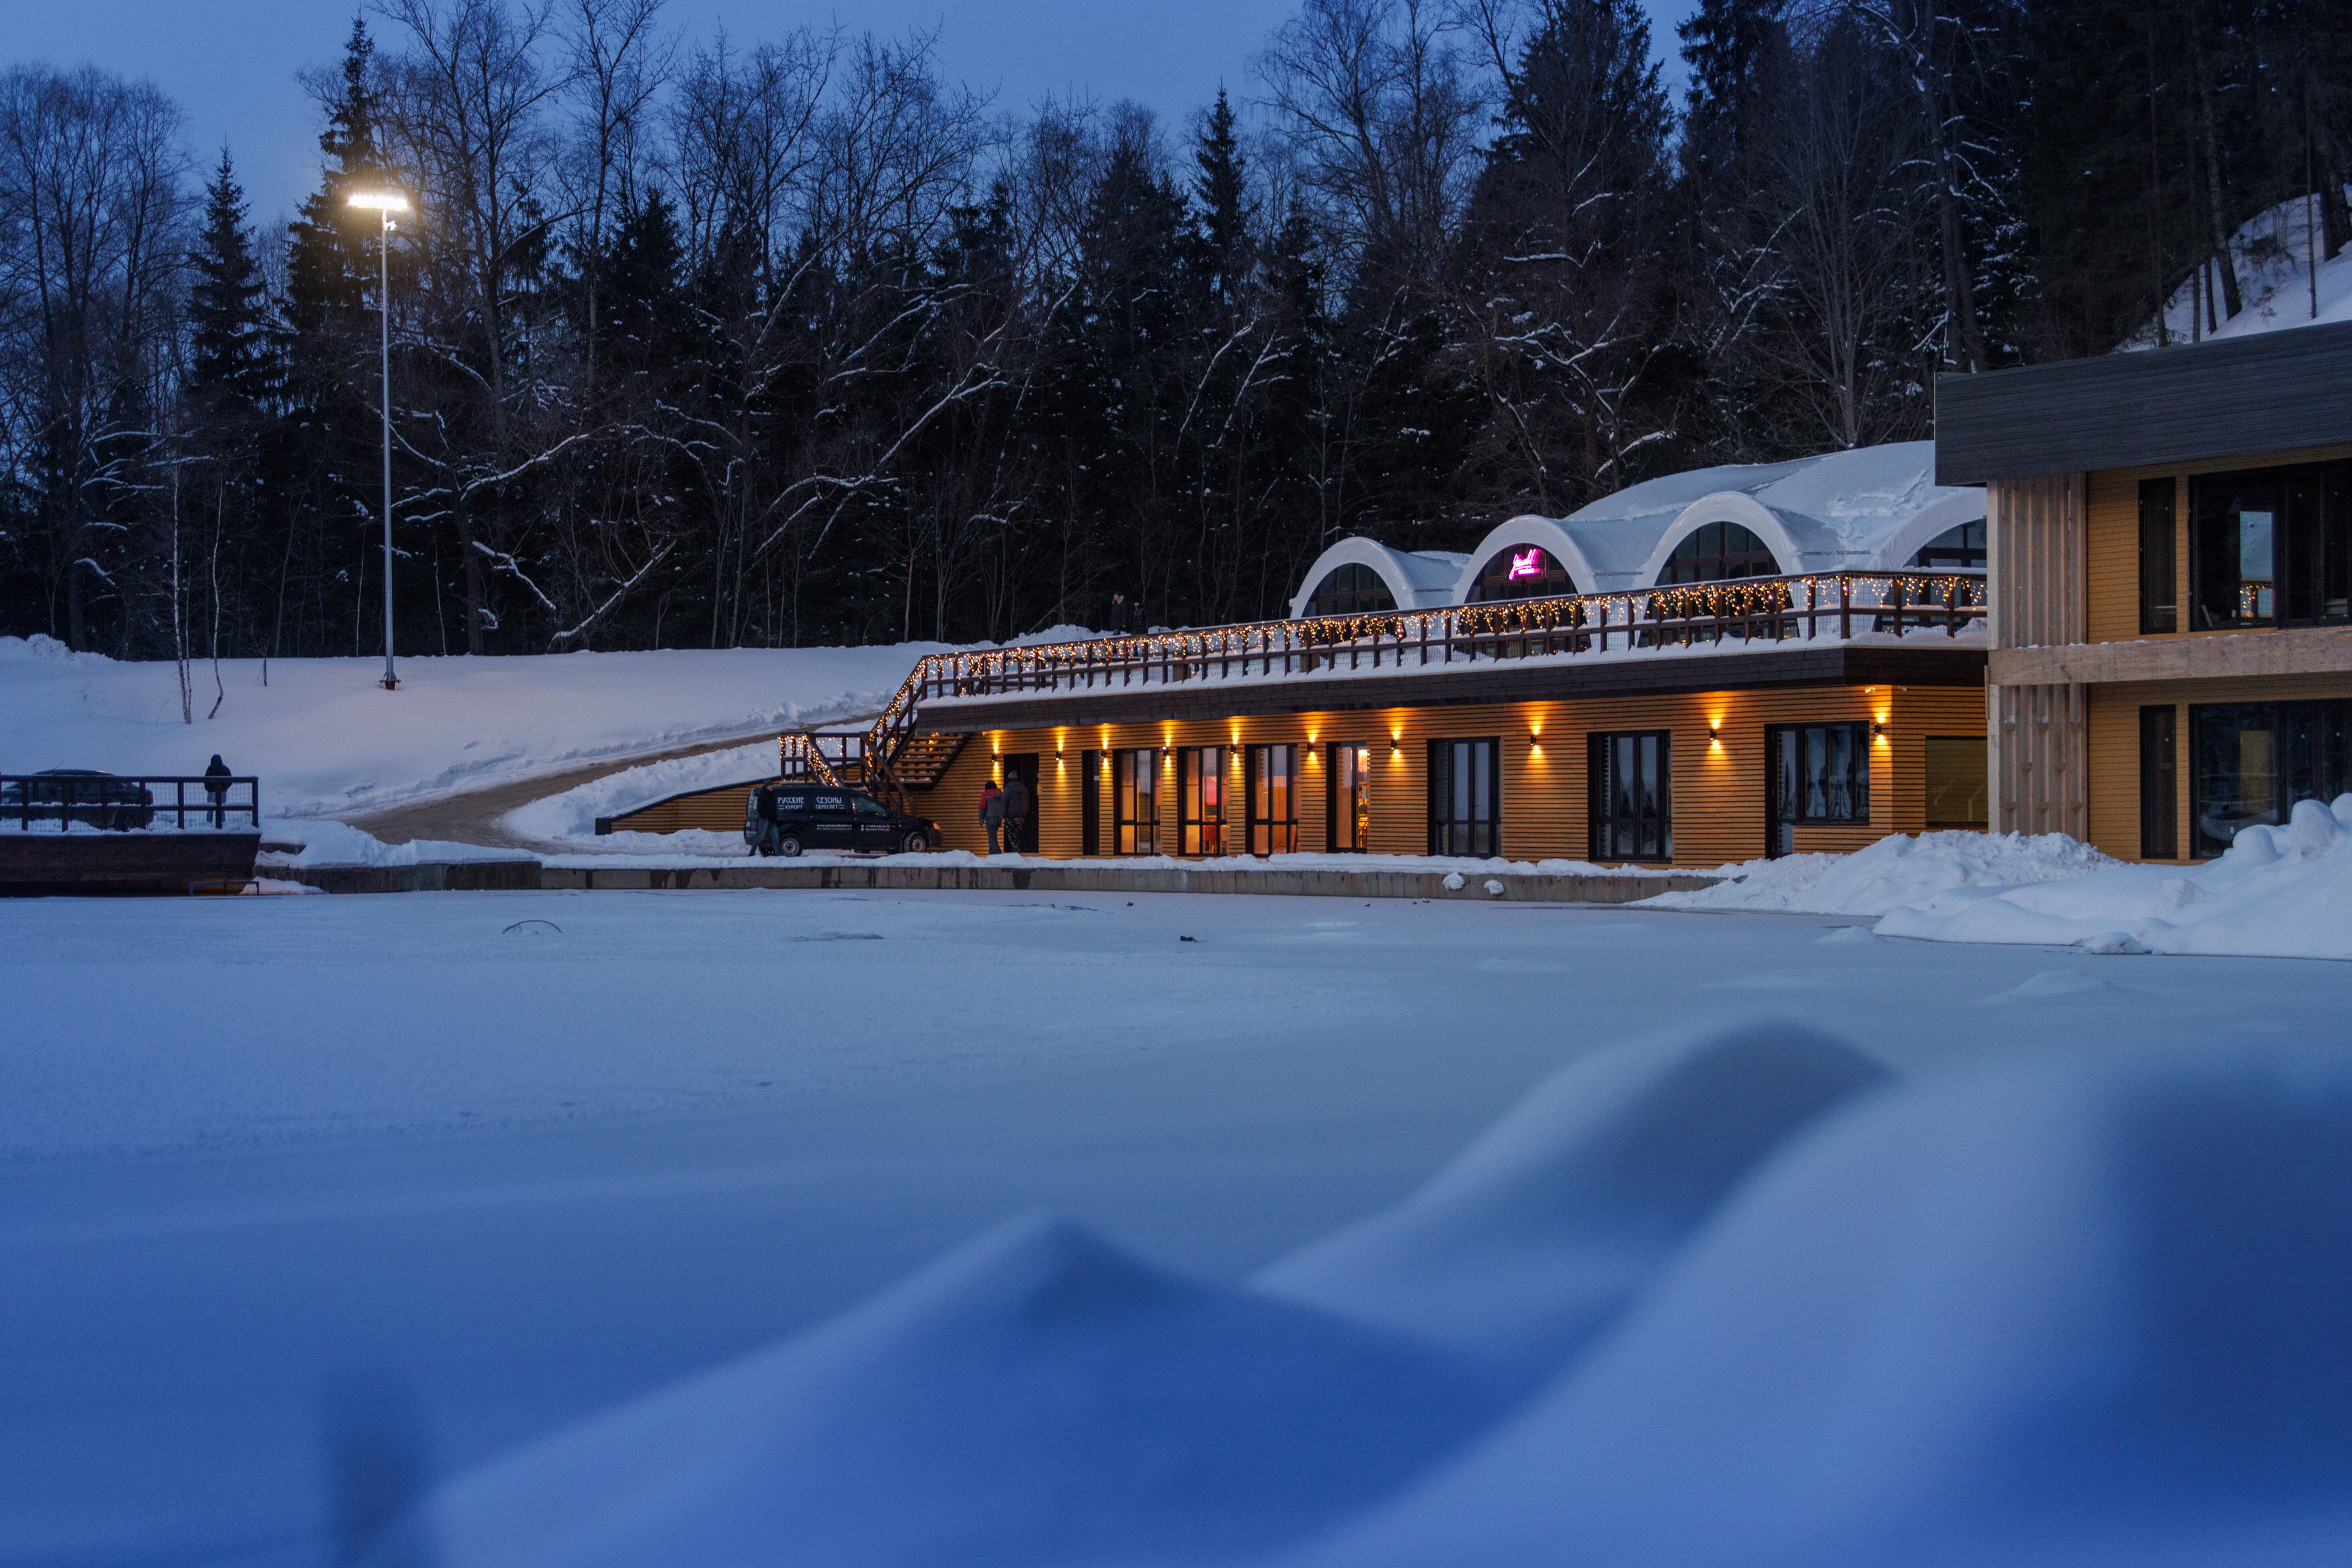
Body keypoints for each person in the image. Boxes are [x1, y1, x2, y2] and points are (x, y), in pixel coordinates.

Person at [1003, 770, 1031, 854]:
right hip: (1021, 816)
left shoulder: (1007, 789)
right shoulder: (1024, 789)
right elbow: (1028, 802)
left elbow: (1004, 803)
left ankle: (1016, 855)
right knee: (1017, 834)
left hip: (1011, 816)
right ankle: (1017, 852)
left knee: (1012, 836)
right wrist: (1024, 813)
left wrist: (1003, 816)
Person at [203, 754, 232, 828]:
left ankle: (208, 824)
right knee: (221, 809)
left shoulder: (210, 769)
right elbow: (230, 781)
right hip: (222, 793)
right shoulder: (225, 769)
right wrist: (224, 788)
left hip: (211, 793)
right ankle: (222, 824)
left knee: (210, 809)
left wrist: (209, 789)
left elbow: (206, 781)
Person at [753, 783, 781, 856]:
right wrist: (765, 817)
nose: (772, 786)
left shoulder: (771, 794)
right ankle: (752, 853)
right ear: (767, 786)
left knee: (775, 836)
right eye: (770, 785)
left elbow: (773, 807)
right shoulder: (762, 795)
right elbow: (759, 808)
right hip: (765, 820)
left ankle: (778, 854)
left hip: (772, 819)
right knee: (760, 836)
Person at [979, 779, 1005, 855]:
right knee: (993, 835)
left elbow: (982, 807)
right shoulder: (1000, 794)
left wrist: (981, 818)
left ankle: (998, 853)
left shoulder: (986, 794)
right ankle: (991, 854)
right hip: (999, 818)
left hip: (990, 818)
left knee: (992, 838)